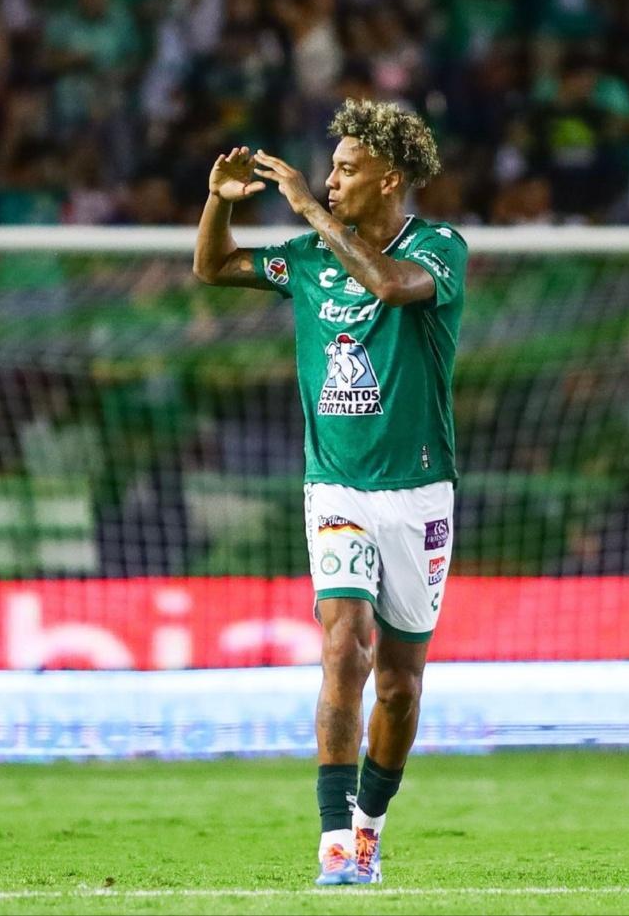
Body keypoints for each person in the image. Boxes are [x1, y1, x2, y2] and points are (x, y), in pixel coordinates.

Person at [193, 99, 468, 886]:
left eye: (346, 169)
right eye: (329, 169)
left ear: (388, 179)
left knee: (400, 686)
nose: (329, 181)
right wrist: (218, 201)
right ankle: (334, 842)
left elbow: (387, 283)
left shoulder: (439, 248)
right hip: (335, 486)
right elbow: (213, 267)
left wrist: (307, 208)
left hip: (418, 492)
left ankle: (370, 828)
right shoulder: (308, 259)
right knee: (344, 645)